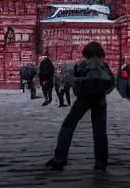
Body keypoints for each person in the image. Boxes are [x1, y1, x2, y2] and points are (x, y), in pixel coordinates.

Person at [45, 42, 113, 172]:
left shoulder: (80, 65)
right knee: (100, 132)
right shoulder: (104, 66)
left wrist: (81, 89)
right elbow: (111, 84)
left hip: (83, 100)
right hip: (100, 101)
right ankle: (100, 162)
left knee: (68, 126)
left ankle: (59, 158)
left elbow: (74, 85)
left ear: (85, 54)